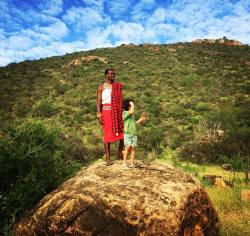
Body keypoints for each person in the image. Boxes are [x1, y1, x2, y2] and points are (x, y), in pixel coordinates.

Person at [96, 68, 124, 166]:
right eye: (111, 73)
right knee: (107, 135)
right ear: (106, 75)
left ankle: (119, 153)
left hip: (117, 111)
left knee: (123, 133)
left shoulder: (117, 86)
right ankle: (108, 159)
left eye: (114, 73)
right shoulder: (101, 87)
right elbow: (99, 101)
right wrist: (99, 114)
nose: (113, 75)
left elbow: (120, 100)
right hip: (106, 111)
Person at [122, 99, 147, 168]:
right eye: (132, 105)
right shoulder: (125, 113)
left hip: (133, 134)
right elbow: (132, 111)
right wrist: (132, 104)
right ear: (129, 106)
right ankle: (124, 163)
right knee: (127, 147)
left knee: (133, 148)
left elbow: (134, 123)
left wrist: (141, 119)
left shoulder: (131, 115)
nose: (133, 106)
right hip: (127, 134)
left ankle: (131, 163)